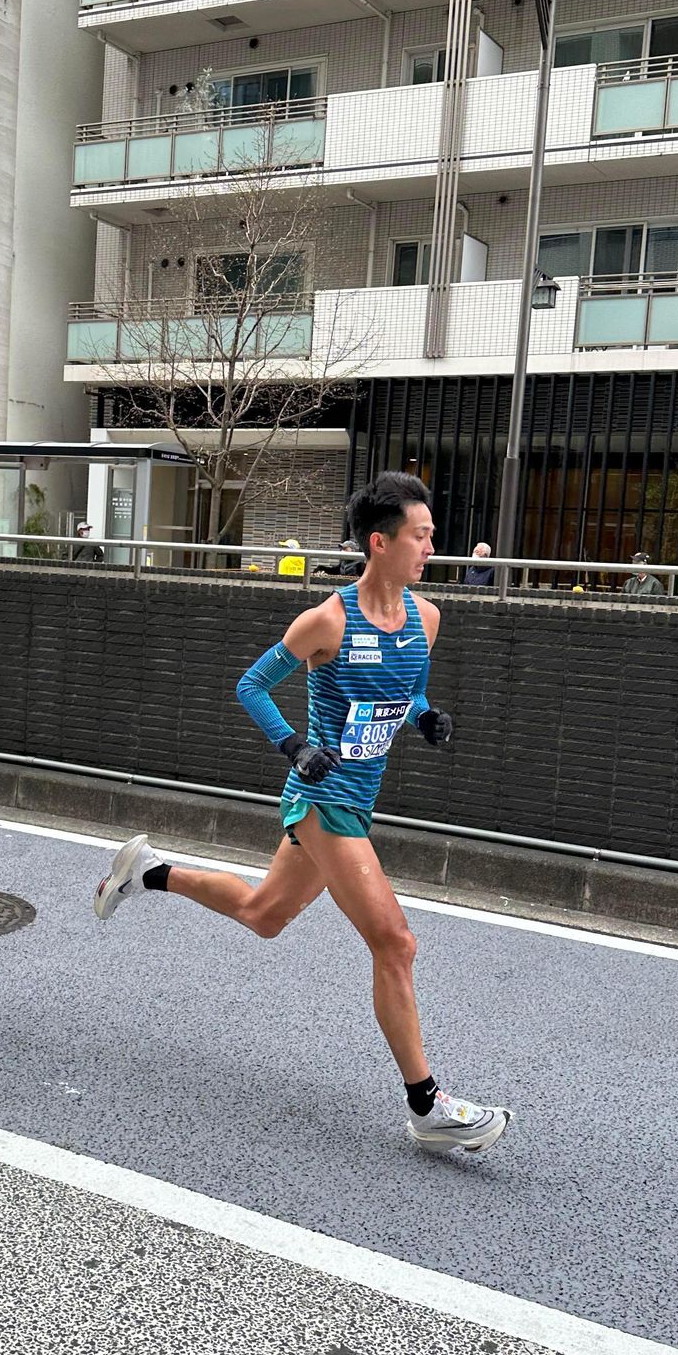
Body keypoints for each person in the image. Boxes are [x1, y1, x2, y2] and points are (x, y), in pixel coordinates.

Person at [93, 470, 510, 1156]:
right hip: (323, 800)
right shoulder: (328, 621)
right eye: (421, 535)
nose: (432, 546)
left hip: (358, 800)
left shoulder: (427, 618)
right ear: (380, 542)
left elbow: (403, 686)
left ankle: (149, 872)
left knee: (265, 915)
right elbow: (251, 684)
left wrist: (424, 716)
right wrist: (294, 746)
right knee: (395, 942)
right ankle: (427, 1106)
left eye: (432, 534)